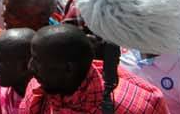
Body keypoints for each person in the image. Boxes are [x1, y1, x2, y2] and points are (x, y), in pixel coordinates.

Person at [23, 23, 166, 114]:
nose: (30, 67)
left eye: (37, 61)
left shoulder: (136, 107)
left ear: (68, 68)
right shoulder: (37, 89)